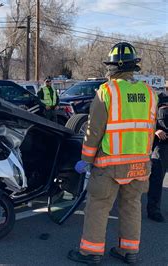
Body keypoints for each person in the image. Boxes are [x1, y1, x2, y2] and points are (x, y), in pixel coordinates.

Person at [68, 42, 157, 265]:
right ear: (133, 67)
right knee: (131, 206)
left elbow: (94, 130)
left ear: (113, 67)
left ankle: (91, 252)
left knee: (98, 206)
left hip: (110, 163)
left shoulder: (107, 91)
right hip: (140, 164)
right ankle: (128, 251)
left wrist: (86, 160)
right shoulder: (149, 92)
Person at [147, 94, 168, 222]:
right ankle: (153, 210)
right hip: (162, 145)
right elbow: (146, 120)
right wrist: (155, 131)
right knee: (156, 178)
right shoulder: (157, 99)